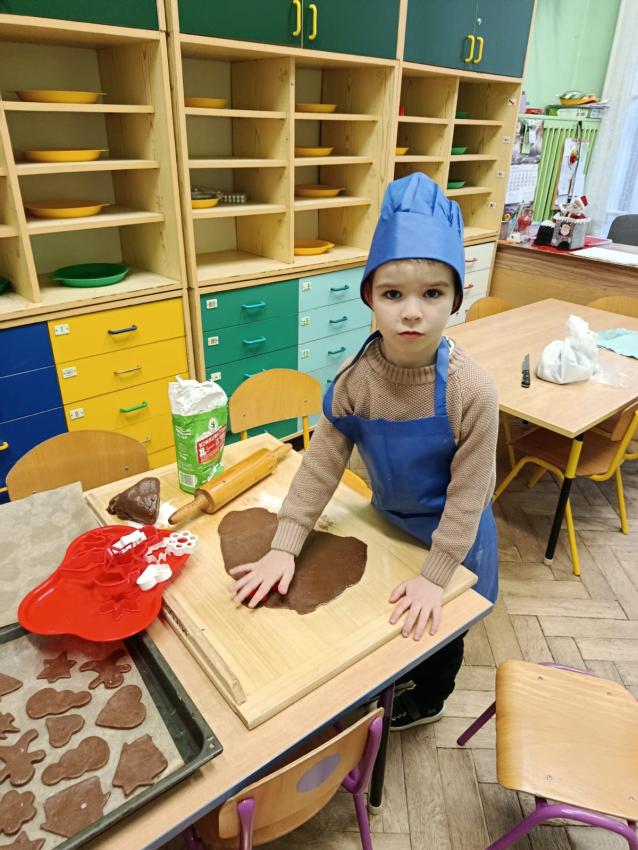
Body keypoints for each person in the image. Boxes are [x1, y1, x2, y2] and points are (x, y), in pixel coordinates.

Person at [230, 172, 499, 730]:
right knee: (391, 625)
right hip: (390, 524)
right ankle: (396, 679)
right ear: (369, 297)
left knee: (440, 630)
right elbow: (320, 465)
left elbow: (470, 494)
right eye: (393, 294)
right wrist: (284, 546)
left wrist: (437, 574)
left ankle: (430, 699)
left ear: (456, 297)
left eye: (432, 293)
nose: (411, 312)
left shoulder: (472, 391)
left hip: (457, 537)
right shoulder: (356, 381)